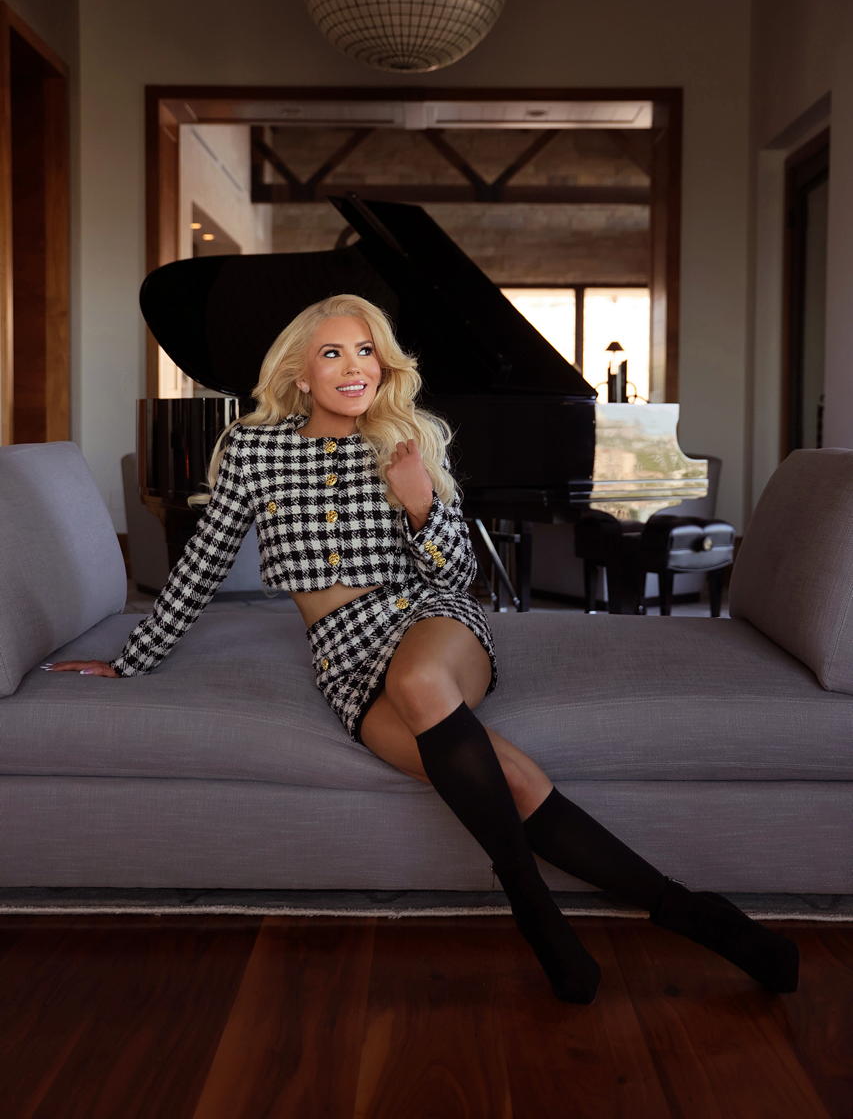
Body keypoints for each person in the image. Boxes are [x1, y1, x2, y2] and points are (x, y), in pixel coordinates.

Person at [44, 293, 799, 1004]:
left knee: (418, 684)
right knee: (506, 776)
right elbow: (204, 561)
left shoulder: (409, 441)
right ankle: (698, 916)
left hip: (430, 617)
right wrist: (132, 657)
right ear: (300, 375)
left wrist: (421, 505)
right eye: (332, 353)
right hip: (343, 656)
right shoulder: (253, 449)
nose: (353, 367)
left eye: (365, 350)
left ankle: (532, 910)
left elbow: (457, 574)